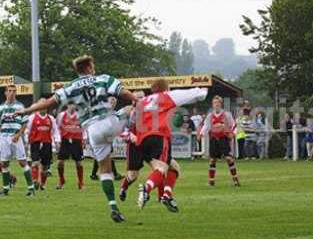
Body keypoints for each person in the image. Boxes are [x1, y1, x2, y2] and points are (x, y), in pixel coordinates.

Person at [17, 55, 138, 222]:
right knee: (128, 110)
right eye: (93, 66)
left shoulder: (71, 87)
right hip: (108, 122)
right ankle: (140, 138)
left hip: (93, 131)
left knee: (105, 169)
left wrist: (26, 111)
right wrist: (136, 100)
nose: (94, 69)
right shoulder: (103, 79)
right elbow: (123, 92)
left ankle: (113, 206)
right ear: (89, 68)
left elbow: (49, 103)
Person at [135, 79, 208, 212]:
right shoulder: (165, 96)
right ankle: (146, 189)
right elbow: (190, 94)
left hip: (142, 141)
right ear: (165, 89)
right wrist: (202, 91)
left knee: (174, 167)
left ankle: (167, 196)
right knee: (162, 169)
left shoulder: (143, 102)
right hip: (158, 136)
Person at [0, 85, 35, 196]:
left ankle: (31, 188)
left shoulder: (20, 106)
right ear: (5, 93)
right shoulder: (1, 107)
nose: (12, 93)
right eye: (10, 91)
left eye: (14, 91)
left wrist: (19, 134)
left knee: (22, 162)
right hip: (4, 137)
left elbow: (24, 123)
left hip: (16, 137)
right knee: (4, 163)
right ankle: (5, 189)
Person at [199, 95, 240, 187]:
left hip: (223, 139)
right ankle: (211, 181)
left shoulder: (227, 114)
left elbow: (233, 125)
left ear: (221, 104)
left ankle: (235, 179)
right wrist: (201, 133)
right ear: (212, 105)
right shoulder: (210, 115)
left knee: (229, 159)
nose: (216, 104)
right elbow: (206, 126)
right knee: (212, 160)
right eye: (214, 103)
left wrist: (233, 134)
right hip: (214, 139)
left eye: (217, 103)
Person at [27, 102, 60, 190]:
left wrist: (57, 141)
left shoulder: (51, 118)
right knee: (35, 163)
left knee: (45, 166)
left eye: (45, 106)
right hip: (35, 143)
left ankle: (42, 184)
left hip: (47, 143)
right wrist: (27, 142)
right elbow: (27, 130)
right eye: (42, 106)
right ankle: (34, 181)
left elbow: (55, 130)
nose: (43, 108)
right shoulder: (32, 118)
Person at [89, 97, 124, 181]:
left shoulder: (113, 113)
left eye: (115, 101)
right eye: (111, 101)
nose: (113, 103)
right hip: (100, 135)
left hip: (107, 136)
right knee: (107, 154)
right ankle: (115, 174)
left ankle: (93, 174)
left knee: (101, 154)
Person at [56, 103, 86, 189]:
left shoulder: (80, 115)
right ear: (67, 105)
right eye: (71, 104)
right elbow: (57, 128)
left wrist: (84, 139)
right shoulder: (61, 115)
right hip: (65, 140)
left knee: (79, 163)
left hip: (76, 140)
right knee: (60, 163)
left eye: (74, 104)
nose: (73, 106)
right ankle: (61, 180)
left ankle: (80, 182)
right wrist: (58, 140)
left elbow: (84, 127)